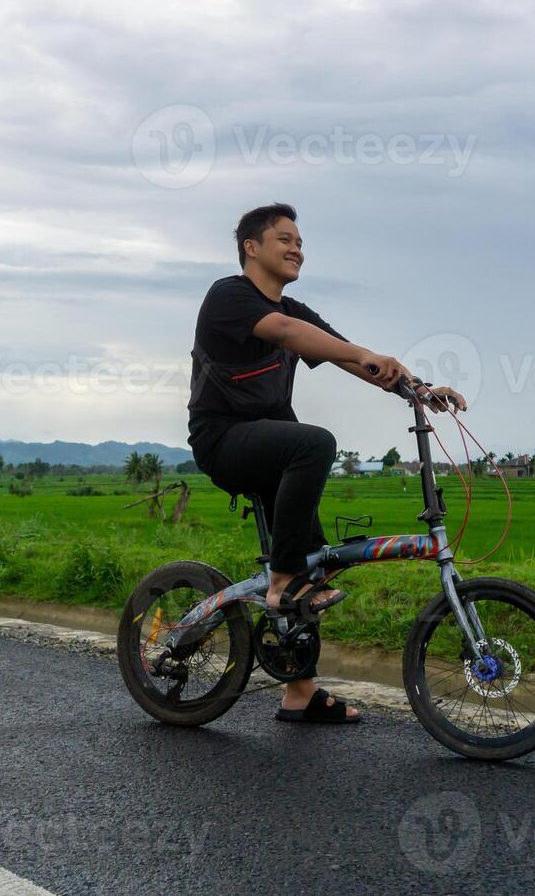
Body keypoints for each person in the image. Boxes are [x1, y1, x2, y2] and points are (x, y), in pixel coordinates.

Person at [186, 202, 467, 724]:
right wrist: (368, 355)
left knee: (312, 561)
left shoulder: (295, 309)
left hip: (274, 448)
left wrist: (419, 389)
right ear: (252, 247)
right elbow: (291, 336)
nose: (297, 249)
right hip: (223, 440)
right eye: (284, 240)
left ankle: (299, 691)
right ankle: (281, 581)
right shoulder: (229, 296)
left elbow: (341, 352)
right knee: (313, 448)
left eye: (300, 242)